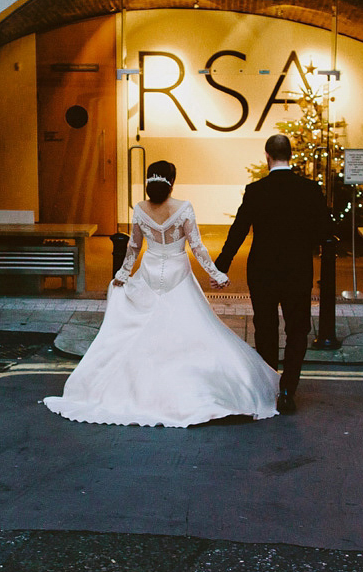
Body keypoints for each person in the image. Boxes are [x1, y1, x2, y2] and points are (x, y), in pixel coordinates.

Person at [43, 160, 279, 427]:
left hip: (150, 271)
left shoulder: (140, 209)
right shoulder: (183, 208)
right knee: (192, 332)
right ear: (172, 181)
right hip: (178, 272)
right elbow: (197, 247)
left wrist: (122, 274)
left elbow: (133, 247)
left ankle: (135, 391)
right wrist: (217, 274)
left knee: (140, 331)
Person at [214, 134, 331, 414]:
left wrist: (221, 265)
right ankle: (288, 389)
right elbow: (326, 231)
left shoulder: (256, 190)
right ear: (290, 155)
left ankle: (268, 387)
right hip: (297, 270)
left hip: (263, 271)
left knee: (265, 328)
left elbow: (239, 230)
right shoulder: (310, 189)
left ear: (267, 156)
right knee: (297, 329)